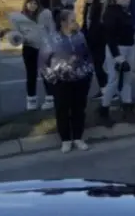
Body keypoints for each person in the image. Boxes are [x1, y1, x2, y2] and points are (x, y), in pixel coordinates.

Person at [40, 9, 95, 153]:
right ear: (62, 22)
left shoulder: (80, 37)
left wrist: (88, 72)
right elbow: (43, 62)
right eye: (72, 20)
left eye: (75, 20)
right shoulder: (51, 39)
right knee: (62, 110)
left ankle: (78, 137)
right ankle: (65, 139)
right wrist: (52, 78)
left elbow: (87, 55)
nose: (75, 23)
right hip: (61, 81)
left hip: (80, 79)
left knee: (79, 109)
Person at [99, 0, 135, 126]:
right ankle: (104, 109)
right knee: (114, 80)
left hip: (130, 47)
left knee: (128, 78)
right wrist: (117, 57)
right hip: (117, 49)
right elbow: (109, 37)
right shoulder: (110, 13)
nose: (128, 0)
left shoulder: (125, 11)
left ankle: (127, 107)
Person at [8, 0, 55, 111]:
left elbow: (52, 30)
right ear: (26, 4)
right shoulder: (19, 17)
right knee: (31, 75)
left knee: (46, 74)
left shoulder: (45, 15)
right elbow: (16, 33)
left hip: (43, 48)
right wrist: (16, 37)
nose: (32, 5)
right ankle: (31, 100)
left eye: (35, 3)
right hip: (29, 48)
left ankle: (50, 99)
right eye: (30, 3)